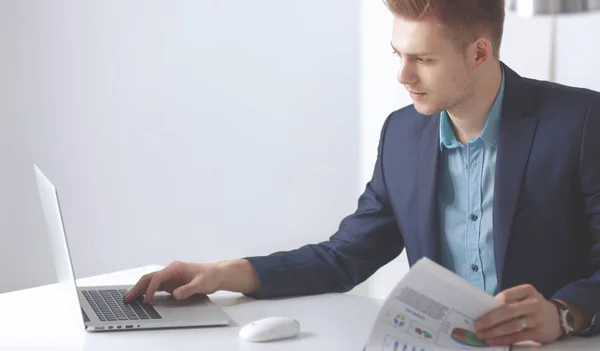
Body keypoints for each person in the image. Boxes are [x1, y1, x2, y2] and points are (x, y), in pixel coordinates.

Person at [123, 0, 600, 346]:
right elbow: (343, 257)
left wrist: (564, 315)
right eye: (399, 54)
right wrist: (220, 273)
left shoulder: (579, 123)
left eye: (424, 60)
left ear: (479, 52)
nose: (403, 76)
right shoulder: (402, 135)